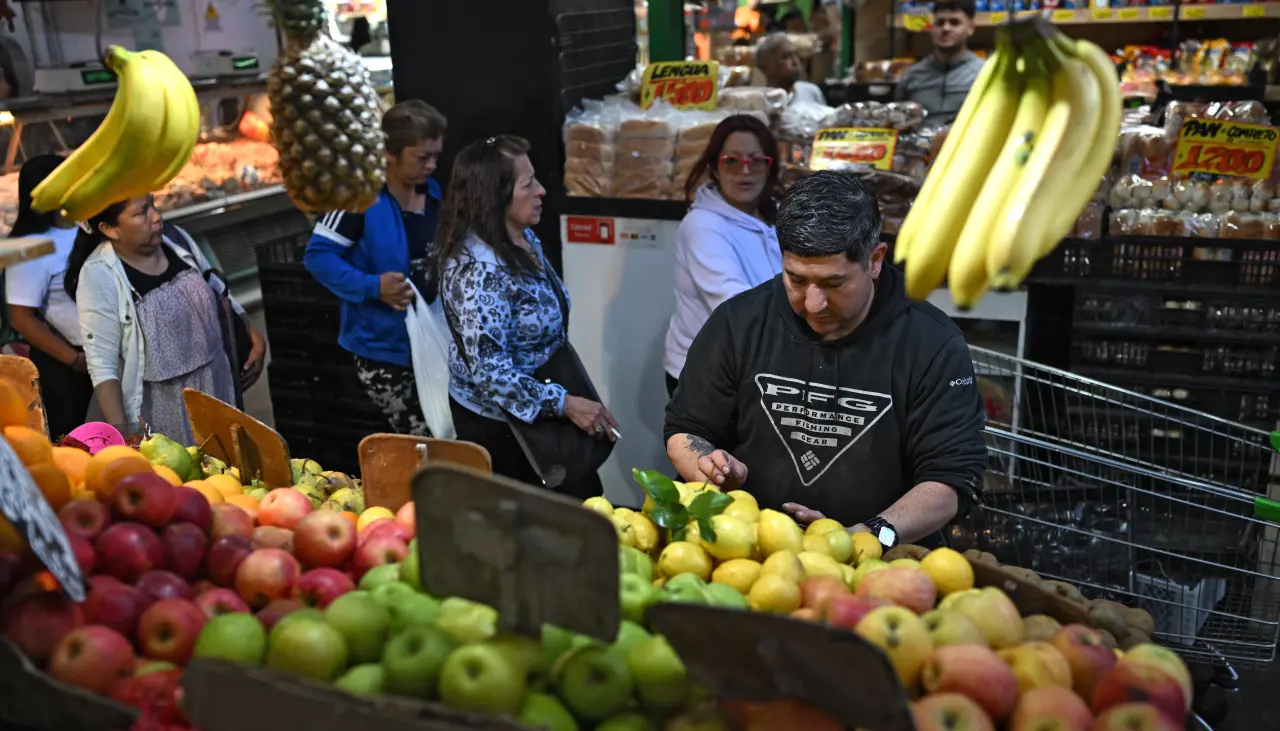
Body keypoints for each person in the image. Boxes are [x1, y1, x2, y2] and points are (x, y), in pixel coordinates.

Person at [663, 171, 987, 549]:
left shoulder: (931, 343)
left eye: (834, 284)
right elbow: (685, 429)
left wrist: (863, 537)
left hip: (879, 566)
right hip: (750, 552)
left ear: (875, 260)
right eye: (796, 279)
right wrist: (712, 471)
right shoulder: (738, 323)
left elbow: (951, 480)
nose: (813, 304)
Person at [437, 136, 617, 493]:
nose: (542, 191)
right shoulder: (480, 273)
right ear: (496, 195)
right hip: (503, 429)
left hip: (537, 403)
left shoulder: (520, 237)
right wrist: (564, 404)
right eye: (528, 183)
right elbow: (490, 373)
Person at [65, 196, 265, 444]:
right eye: (141, 213)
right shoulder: (99, 274)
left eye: (153, 205)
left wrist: (252, 334)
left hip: (217, 386)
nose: (156, 216)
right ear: (110, 229)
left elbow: (217, 287)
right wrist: (125, 435)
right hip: (161, 409)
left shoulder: (177, 240)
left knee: (230, 474)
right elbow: (102, 365)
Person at [305, 100, 447, 436]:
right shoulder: (359, 198)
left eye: (436, 156)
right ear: (389, 153)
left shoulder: (434, 192)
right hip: (384, 350)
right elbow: (318, 256)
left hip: (434, 340)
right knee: (424, 441)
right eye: (422, 157)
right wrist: (372, 286)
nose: (432, 165)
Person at [665, 115, 782, 397]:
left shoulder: (775, 215)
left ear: (769, 167)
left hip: (759, 367)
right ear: (715, 168)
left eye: (756, 161)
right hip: (708, 377)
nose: (745, 171)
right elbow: (733, 302)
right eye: (732, 160)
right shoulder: (703, 226)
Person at [4, 155, 94, 436]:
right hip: (69, 367)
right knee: (79, 441)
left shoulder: (85, 226)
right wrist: (73, 359)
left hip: (103, 356)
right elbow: (21, 318)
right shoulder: (30, 247)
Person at [894, 0, 984, 128]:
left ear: (970, 29)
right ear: (932, 28)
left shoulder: (983, 74)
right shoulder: (911, 76)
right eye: (940, 23)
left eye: (954, 23)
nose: (946, 28)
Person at [756, 33, 826, 106]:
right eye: (785, 57)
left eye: (795, 54)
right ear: (765, 67)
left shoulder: (812, 92)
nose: (795, 61)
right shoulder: (760, 103)